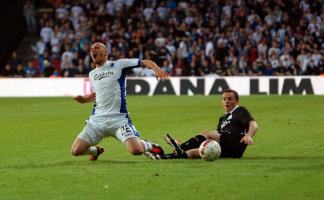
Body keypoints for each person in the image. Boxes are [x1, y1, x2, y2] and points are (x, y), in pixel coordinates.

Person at [71, 42, 169, 160]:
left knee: (136, 151)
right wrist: (84, 100)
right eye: (91, 48)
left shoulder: (119, 65)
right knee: (75, 151)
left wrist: (156, 69)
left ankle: (150, 145)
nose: (93, 50)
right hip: (97, 121)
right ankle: (95, 151)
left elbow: (144, 62)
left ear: (106, 52)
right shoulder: (92, 74)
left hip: (119, 120)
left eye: (96, 48)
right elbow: (96, 95)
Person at [146, 89, 258, 159]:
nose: (226, 101)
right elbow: (218, 136)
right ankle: (165, 156)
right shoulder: (222, 118)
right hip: (229, 150)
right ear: (221, 102)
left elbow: (253, 123)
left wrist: (248, 135)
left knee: (207, 133)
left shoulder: (240, 110)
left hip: (236, 142)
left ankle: (181, 146)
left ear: (237, 101)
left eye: (230, 99)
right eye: (224, 99)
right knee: (196, 152)